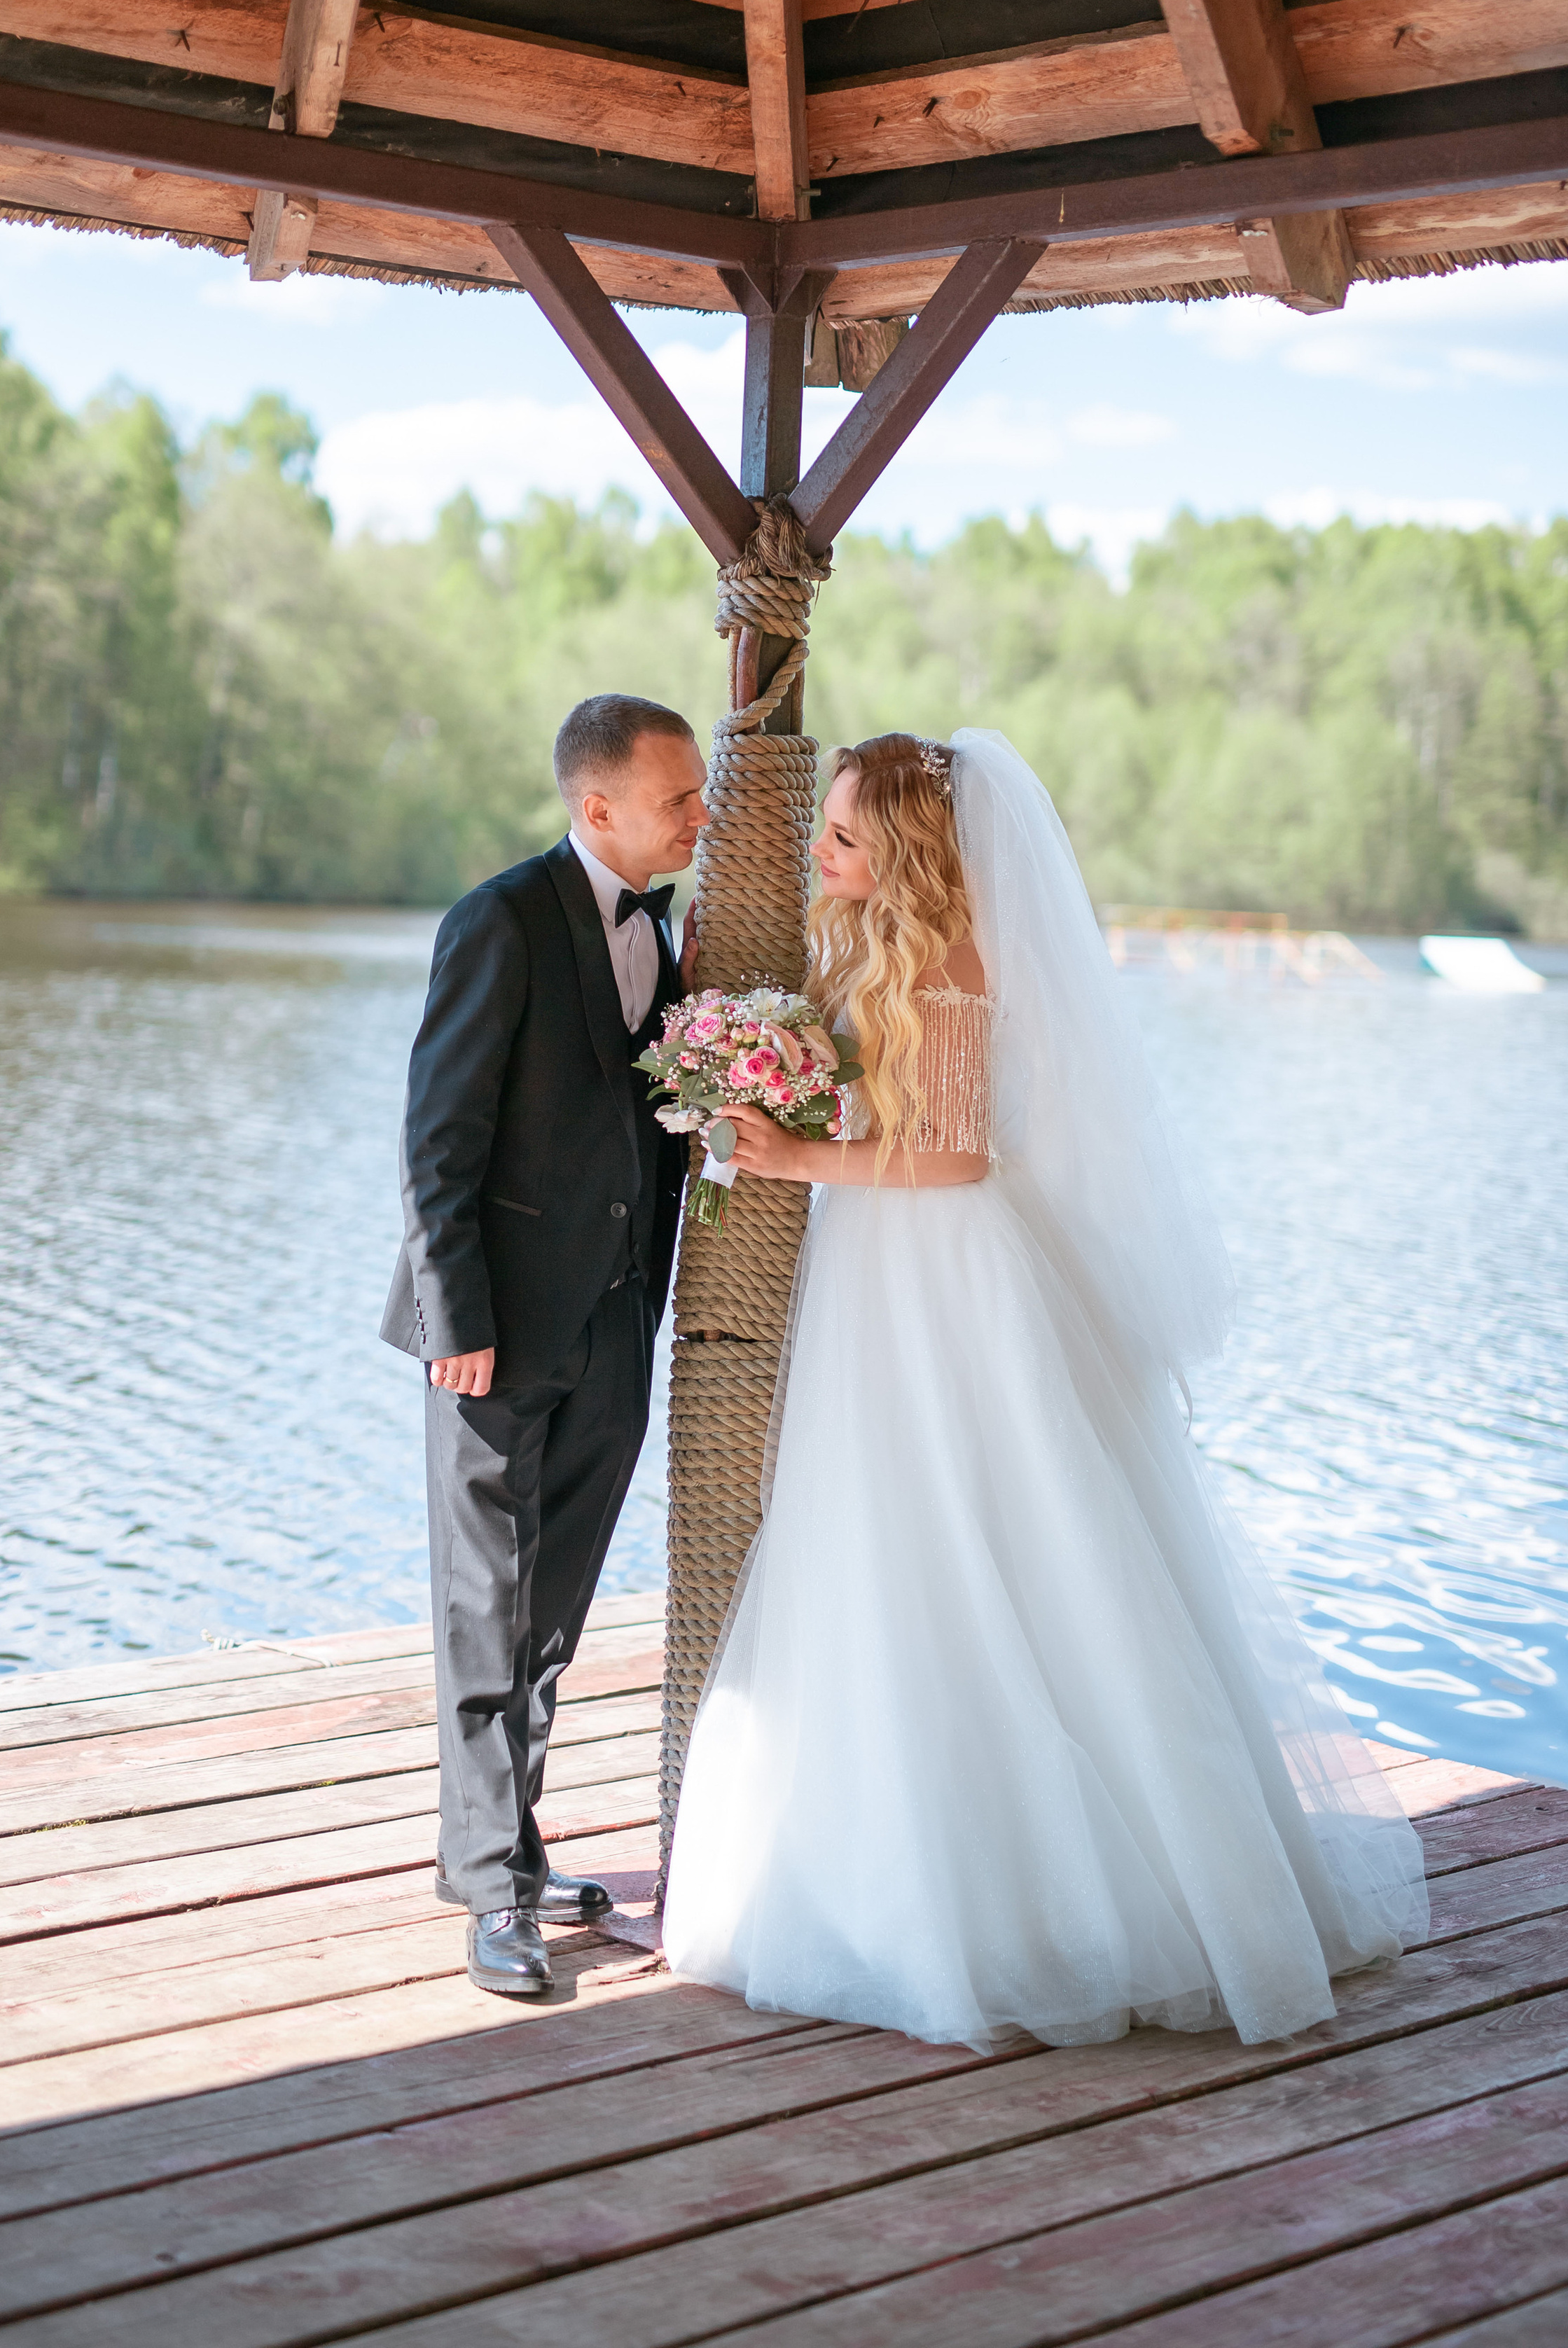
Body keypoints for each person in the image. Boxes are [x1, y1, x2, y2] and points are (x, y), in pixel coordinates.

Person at [662, 729, 1429, 2050]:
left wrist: (791, 1155)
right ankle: (870, 1866)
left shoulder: (953, 966)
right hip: (877, 1274)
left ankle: (1051, 1909)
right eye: (827, 827)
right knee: (880, 1550)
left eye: (845, 833)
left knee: (990, 1541)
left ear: (908, 850)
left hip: (944, 1279)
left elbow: (953, 1163)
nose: (822, 849)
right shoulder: (868, 943)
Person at [384, 693, 705, 1997]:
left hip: (615, 1326)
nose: (702, 814)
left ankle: (499, 1842)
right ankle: (497, 1894)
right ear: (598, 806)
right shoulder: (501, 921)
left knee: (554, 1612)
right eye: (680, 796)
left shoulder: (670, 930)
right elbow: (436, 1136)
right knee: (486, 1608)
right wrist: (454, 1322)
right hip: (496, 1334)